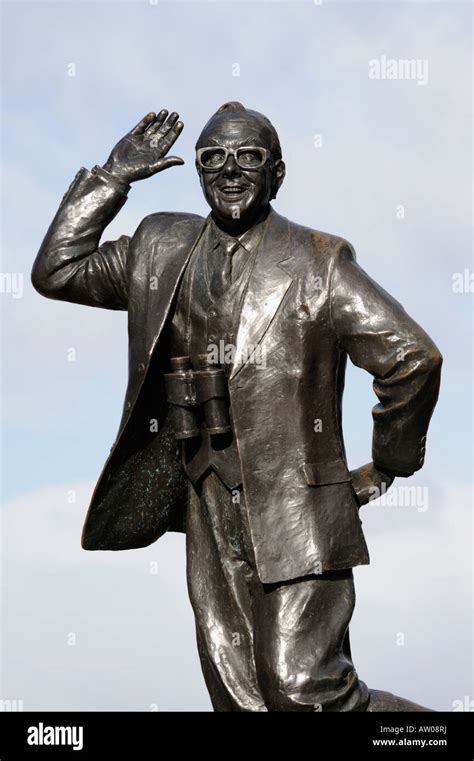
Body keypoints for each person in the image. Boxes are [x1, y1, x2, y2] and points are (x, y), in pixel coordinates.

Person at [32, 102, 442, 711]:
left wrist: (389, 463)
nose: (229, 171)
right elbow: (58, 270)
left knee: (305, 694)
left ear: (276, 174)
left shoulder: (317, 261)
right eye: (212, 159)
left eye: (248, 158)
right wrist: (113, 177)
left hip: (299, 509)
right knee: (242, 701)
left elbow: (412, 357)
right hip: (207, 505)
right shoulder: (159, 247)